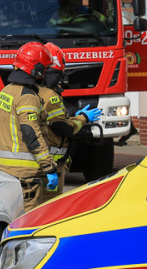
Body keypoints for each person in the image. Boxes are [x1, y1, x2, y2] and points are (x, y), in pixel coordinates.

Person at [0, 42, 59, 213]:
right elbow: (31, 134)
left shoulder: (6, 91)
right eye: (44, 69)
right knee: (28, 221)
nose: (45, 73)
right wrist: (49, 166)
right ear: (36, 69)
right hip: (26, 175)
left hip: (6, 170)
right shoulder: (27, 97)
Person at [37, 43, 100, 199]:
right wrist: (83, 118)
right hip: (51, 163)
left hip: (37, 162)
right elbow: (62, 128)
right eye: (57, 74)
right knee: (50, 205)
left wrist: (71, 117)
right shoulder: (50, 96)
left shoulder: (29, 91)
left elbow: (50, 121)